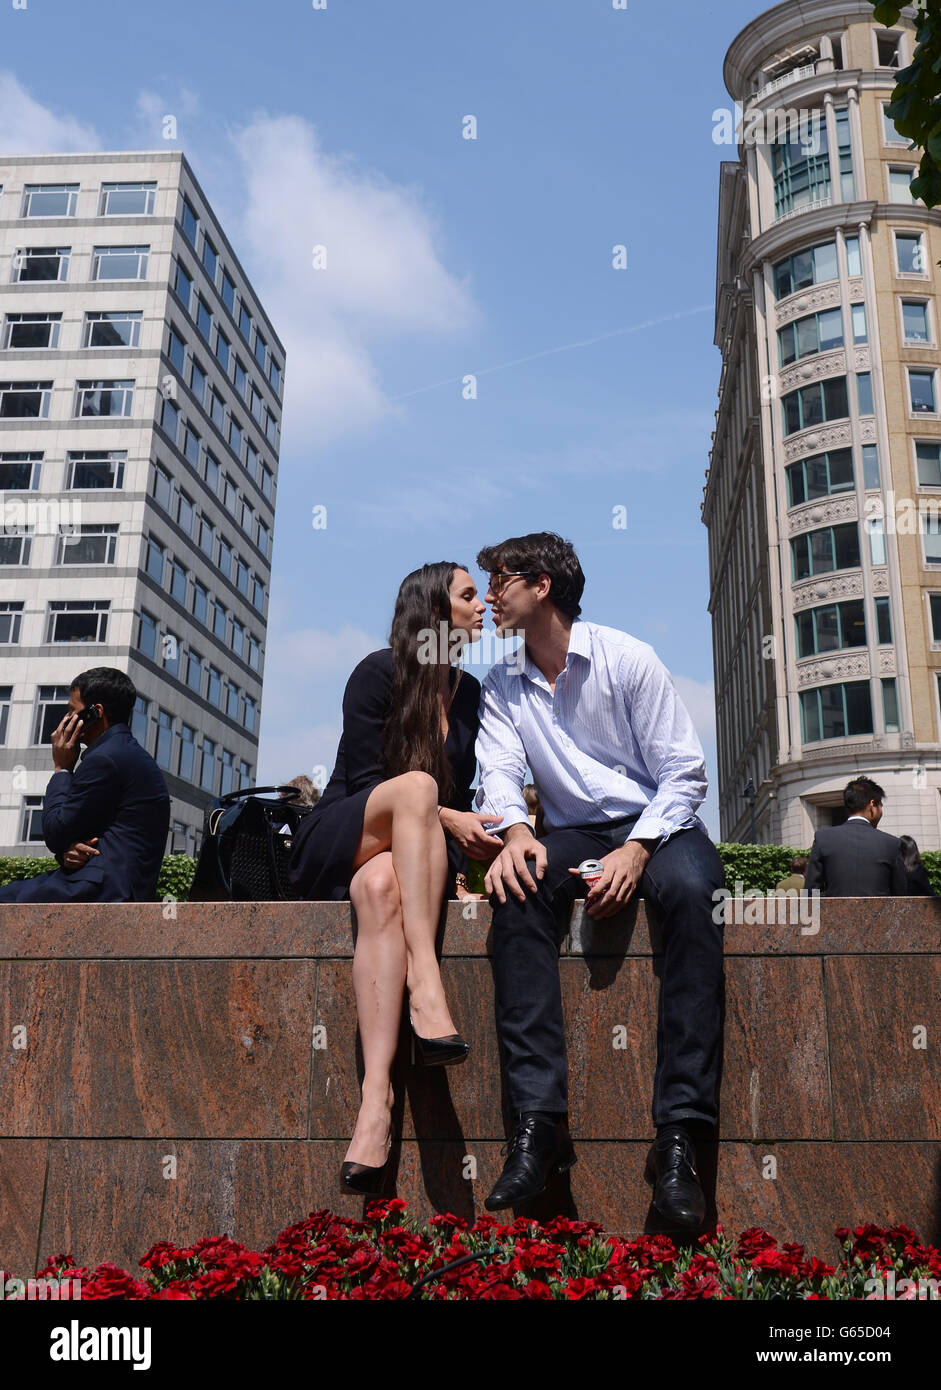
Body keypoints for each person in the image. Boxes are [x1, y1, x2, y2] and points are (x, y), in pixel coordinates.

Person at [474, 532, 725, 1229]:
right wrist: (516, 834)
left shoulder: (626, 658)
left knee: (694, 894)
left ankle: (678, 1140)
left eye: (499, 580)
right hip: (569, 834)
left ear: (542, 585)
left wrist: (638, 850)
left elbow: (683, 772)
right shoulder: (501, 684)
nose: (490, 595)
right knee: (516, 887)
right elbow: (496, 772)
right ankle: (537, 1128)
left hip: (656, 823)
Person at [288, 563, 502, 1195]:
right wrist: (443, 813)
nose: (482, 605)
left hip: (399, 858)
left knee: (379, 889)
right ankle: (427, 989)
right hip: (343, 831)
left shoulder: (471, 694)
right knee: (418, 787)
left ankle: (374, 1105)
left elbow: (463, 800)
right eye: (468, 596)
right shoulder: (377, 672)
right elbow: (364, 787)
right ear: (434, 609)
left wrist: (455, 860)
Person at [0, 668, 170, 903]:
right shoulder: (126, 753)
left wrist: (62, 769)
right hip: (115, 882)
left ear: (96, 712)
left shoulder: (105, 759)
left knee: (7, 898)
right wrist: (68, 851)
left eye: (72, 711)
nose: (66, 719)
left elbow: (56, 832)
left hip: (105, 888)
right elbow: (82, 830)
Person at [803, 778, 907, 897]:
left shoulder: (823, 838)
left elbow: (811, 891)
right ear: (872, 804)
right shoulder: (891, 843)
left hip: (835, 914)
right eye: (881, 806)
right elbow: (901, 896)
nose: (881, 812)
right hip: (879, 914)